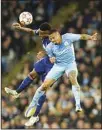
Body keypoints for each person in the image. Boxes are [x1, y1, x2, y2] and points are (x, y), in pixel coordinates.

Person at [24, 29, 97, 126]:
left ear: (58, 34)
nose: (53, 40)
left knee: (73, 78)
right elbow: (50, 57)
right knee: (44, 86)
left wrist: (90, 37)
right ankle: (32, 105)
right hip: (59, 66)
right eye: (51, 39)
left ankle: (78, 105)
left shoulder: (68, 37)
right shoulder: (50, 47)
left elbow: (81, 36)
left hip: (70, 64)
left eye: (53, 38)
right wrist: (46, 57)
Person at [5, 22, 54, 125]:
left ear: (47, 32)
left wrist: (46, 55)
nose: (39, 34)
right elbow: (31, 31)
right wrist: (20, 28)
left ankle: (35, 116)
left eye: (41, 33)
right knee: (32, 74)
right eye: (39, 32)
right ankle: (17, 92)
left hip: (54, 66)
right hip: (46, 60)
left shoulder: (56, 40)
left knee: (43, 89)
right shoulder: (43, 33)